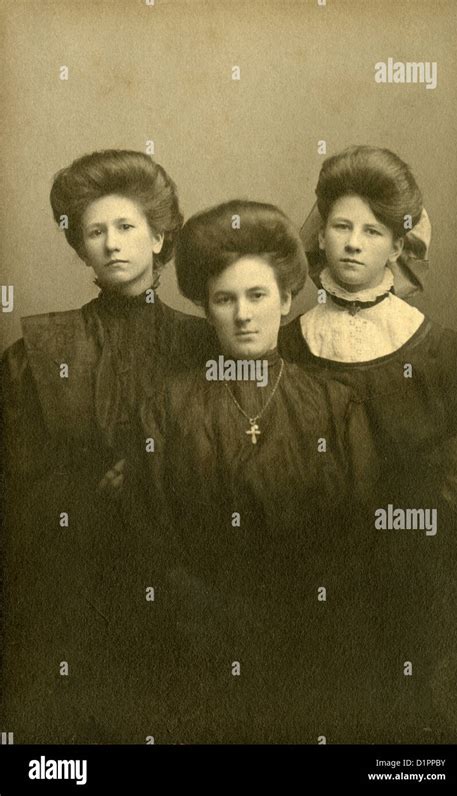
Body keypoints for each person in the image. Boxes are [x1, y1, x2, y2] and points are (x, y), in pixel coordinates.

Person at [139, 199, 386, 743]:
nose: (243, 314)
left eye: (257, 295)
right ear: (206, 310)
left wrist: (311, 615)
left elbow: (361, 531)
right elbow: (153, 533)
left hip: (314, 640)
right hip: (199, 642)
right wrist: (210, 616)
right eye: (224, 299)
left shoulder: (334, 404)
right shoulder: (168, 405)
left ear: (287, 299)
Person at [0, 150, 211, 742]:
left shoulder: (205, 344)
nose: (112, 244)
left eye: (126, 227)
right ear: (80, 245)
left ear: (159, 234)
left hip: (182, 576)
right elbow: (18, 481)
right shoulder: (40, 353)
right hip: (75, 576)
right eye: (95, 231)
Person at [279, 146, 457, 742]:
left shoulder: (439, 351)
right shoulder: (288, 344)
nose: (354, 243)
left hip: (410, 570)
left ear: (398, 244)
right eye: (341, 226)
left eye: (373, 230)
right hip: (307, 565)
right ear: (321, 234)